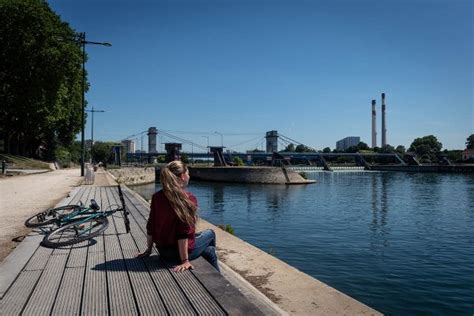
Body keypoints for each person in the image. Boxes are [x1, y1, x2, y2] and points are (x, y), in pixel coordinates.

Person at [137, 160, 219, 272]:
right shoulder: (188, 199)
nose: (189, 176)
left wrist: (148, 250)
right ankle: (219, 278)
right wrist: (185, 260)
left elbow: (150, 225)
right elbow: (183, 233)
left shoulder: (157, 197)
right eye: (188, 173)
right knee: (211, 234)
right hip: (178, 255)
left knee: (209, 250)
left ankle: (215, 270)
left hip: (163, 251)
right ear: (183, 176)